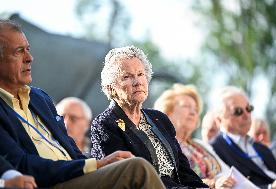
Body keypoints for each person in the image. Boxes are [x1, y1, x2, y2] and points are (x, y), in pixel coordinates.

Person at [0, 19, 166, 189]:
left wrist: (102, 164)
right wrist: (94, 165)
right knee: (137, 169)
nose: (29, 58)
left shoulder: (39, 97)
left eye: (27, 49)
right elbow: (21, 164)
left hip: (78, 176)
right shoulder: (108, 123)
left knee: (131, 165)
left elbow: (73, 153)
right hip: (48, 183)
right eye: (18, 52)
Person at [91, 46, 208, 188]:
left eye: (140, 74)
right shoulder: (105, 124)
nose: (137, 82)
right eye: (127, 77)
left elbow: (183, 169)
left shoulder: (160, 119)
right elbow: (128, 178)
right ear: (111, 88)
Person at [154, 83, 235, 189]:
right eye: (186, 106)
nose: (193, 112)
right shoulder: (158, 146)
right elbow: (171, 182)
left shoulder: (201, 146)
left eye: (196, 110)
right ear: (167, 112)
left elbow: (228, 173)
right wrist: (214, 183)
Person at [210, 86, 276, 189]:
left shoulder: (259, 147)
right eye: (238, 111)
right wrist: (271, 188)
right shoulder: (214, 149)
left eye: (249, 108)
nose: (247, 115)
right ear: (219, 119)